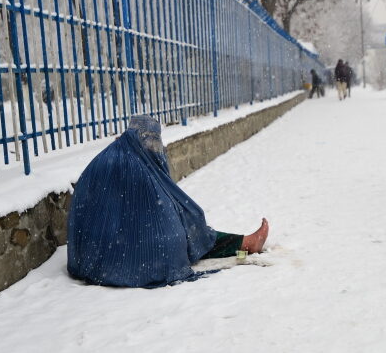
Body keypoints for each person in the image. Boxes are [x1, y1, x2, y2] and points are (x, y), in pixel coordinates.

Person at [67, 115, 269, 288]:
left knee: (186, 228)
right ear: (140, 138)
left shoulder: (117, 154)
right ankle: (245, 243)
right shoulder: (132, 165)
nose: (155, 146)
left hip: (87, 254)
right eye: (151, 140)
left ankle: (244, 242)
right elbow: (159, 214)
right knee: (181, 237)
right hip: (120, 256)